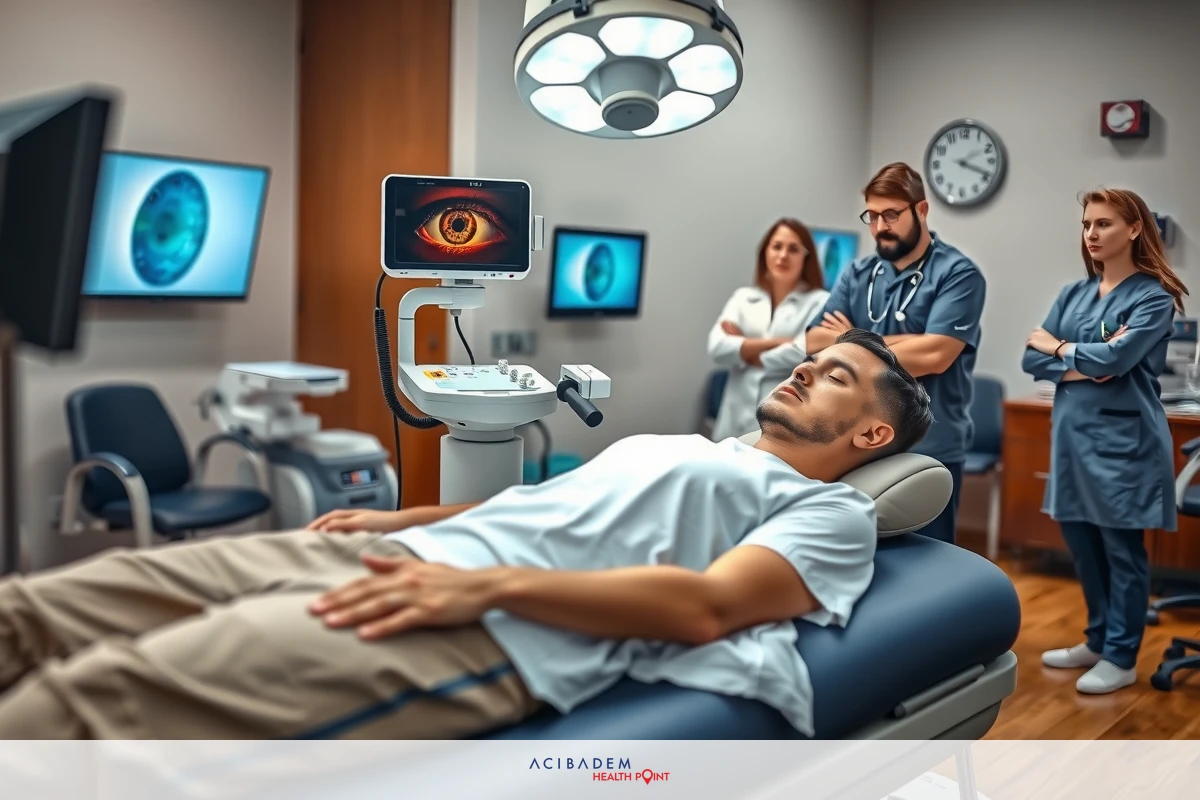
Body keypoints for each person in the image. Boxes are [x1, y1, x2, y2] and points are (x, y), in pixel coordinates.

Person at [0, 329, 932, 740]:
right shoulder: (694, 444)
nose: (808, 370)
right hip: (401, 554)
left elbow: (711, 607)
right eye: (813, 361)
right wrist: (400, 517)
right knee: (36, 610)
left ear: (872, 436)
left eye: (837, 375)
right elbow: (544, 507)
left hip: (482, 623)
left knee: (93, 701)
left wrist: (484, 590)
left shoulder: (832, 515)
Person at [1022, 188, 1188, 694]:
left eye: (1104, 224)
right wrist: (1085, 361)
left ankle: (1121, 655)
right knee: (1082, 546)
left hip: (1125, 443)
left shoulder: (1153, 297)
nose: (1091, 234)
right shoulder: (1074, 293)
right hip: (1071, 440)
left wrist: (1062, 349)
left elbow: (1115, 362)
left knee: (1121, 550)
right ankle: (1096, 640)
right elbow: (1031, 361)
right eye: (1087, 224)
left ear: (1135, 229)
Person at [805, 162, 987, 545]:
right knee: (856, 551)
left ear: (921, 210)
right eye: (871, 216)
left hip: (929, 444)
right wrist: (905, 342)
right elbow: (814, 344)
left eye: (891, 214)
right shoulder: (858, 272)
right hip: (855, 439)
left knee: (926, 562)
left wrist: (851, 341)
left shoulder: (958, 274)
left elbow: (936, 354)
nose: (879, 226)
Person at [707, 218, 831, 441]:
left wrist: (745, 348)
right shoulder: (743, 298)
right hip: (732, 422)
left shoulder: (820, 302)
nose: (783, 255)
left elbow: (804, 354)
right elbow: (717, 348)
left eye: (793, 249)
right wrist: (780, 342)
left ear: (807, 257)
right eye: (776, 247)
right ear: (765, 252)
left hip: (783, 422)